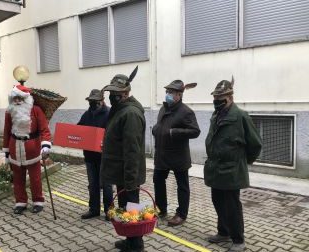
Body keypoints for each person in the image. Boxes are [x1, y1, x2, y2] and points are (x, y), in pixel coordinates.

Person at [204, 78, 262, 252]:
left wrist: (243, 162)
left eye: (219, 97)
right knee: (217, 201)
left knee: (232, 206)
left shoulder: (240, 116)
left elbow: (255, 144)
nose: (216, 100)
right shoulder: (216, 115)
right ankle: (223, 232)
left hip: (231, 171)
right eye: (215, 97)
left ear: (229, 97)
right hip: (216, 168)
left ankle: (238, 240)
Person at [101, 66, 146, 252]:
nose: (112, 96)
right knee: (125, 208)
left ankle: (136, 245)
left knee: (132, 208)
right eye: (111, 92)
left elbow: (132, 151)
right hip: (121, 172)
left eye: (116, 93)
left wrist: (130, 181)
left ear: (126, 93)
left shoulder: (130, 114)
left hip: (128, 175)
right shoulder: (121, 109)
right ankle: (130, 240)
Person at [152, 80, 200, 226]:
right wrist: (156, 129)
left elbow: (195, 131)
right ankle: (161, 209)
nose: (168, 95)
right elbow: (161, 125)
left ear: (179, 95)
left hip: (178, 155)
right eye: (167, 92)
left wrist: (175, 132)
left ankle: (181, 214)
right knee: (158, 180)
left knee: (182, 185)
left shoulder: (186, 111)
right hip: (162, 154)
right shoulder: (163, 109)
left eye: (171, 92)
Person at [3, 84, 52, 214]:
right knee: (18, 178)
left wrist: (45, 145)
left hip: (33, 150)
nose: (17, 101)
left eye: (20, 98)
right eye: (15, 98)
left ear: (26, 99)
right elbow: (7, 132)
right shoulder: (9, 112)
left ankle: (38, 201)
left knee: (35, 178)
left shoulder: (36, 110)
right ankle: (20, 202)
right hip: (15, 149)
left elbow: (44, 130)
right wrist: (6, 153)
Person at [77, 89, 113, 221]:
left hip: (104, 156)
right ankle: (94, 209)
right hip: (90, 156)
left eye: (95, 102)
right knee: (93, 184)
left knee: (106, 184)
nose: (93, 104)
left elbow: (112, 133)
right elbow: (79, 129)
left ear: (102, 101)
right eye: (91, 102)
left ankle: (109, 211)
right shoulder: (87, 114)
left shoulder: (109, 114)